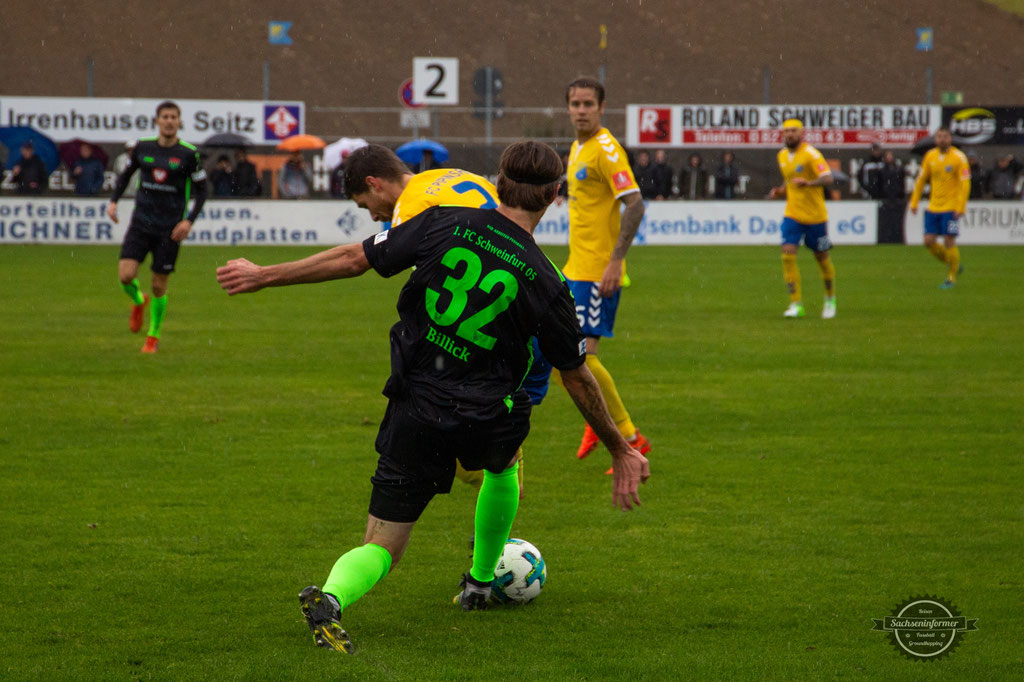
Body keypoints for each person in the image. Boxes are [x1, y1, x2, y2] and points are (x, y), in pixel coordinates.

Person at [216, 140, 650, 653]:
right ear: (556, 195)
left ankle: (332, 599)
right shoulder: (547, 281)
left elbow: (354, 258)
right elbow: (577, 377)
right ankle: (480, 581)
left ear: (498, 181)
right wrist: (621, 447)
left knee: (382, 546)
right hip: (486, 413)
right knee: (504, 465)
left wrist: (264, 275)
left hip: (416, 403)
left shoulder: (446, 222)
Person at [563, 76, 651, 470]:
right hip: (574, 269)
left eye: (587, 104)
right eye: (575, 103)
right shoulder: (577, 147)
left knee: (578, 360)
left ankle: (629, 436)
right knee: (568, 359)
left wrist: (615, 261)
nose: (581, 110)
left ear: (601, 108)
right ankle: (599, 422)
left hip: (598, 273)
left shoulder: (606, 150)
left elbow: (635, 204)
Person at [107, 100, 208, 353]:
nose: (169, 121)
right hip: (141, 223)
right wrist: (113, 202)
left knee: (158, 285)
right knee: (125, 276)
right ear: (157, 121)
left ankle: (152, 336)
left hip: (170, 229)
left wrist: (188, 221)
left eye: (174, 117)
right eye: (165, 117)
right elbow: (126, 175)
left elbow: (203, 191)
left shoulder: (189, 154)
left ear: (179, 122)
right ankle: (138, 301)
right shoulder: (143, 148)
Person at [768, 119, 837, 319]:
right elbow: (789, 180)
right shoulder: (781, 155)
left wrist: (809, 183)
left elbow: (828, 178)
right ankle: (796, 304)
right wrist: (780, 191)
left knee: (822, 258)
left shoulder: (811, 154)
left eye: (793, 131)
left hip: (816, 217)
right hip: (793, 214)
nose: (789, 134)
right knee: (787, 254)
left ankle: (830, 299)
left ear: (801, 133)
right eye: (787, 131)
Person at [909, 126, 970, 289]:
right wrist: (914, 201)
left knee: (949, 240)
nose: (942, 139)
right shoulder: (930, 156)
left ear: (950, 138)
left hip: (951, 207)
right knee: (928, 241)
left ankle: (951, 277)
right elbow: (921, 180)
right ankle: (954, 264)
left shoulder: (959, 157)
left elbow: (965, 184)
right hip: (933, 206)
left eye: (945, 136)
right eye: (939, 137)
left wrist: (961, 206)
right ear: (935, 139)